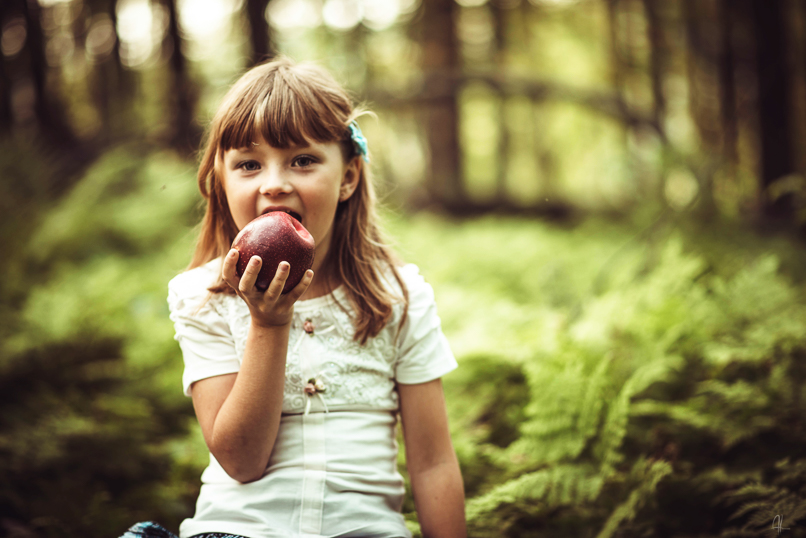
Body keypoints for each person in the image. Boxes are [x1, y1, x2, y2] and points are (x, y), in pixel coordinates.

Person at [121, 57, 466, 538]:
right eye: (248, 164)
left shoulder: (399, 298)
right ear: (222, 180)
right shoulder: (203, 297)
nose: (275, 183)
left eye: (302, 160)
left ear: (347, 176)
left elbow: (432, 464)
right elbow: (241, 462)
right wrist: (267, 324)